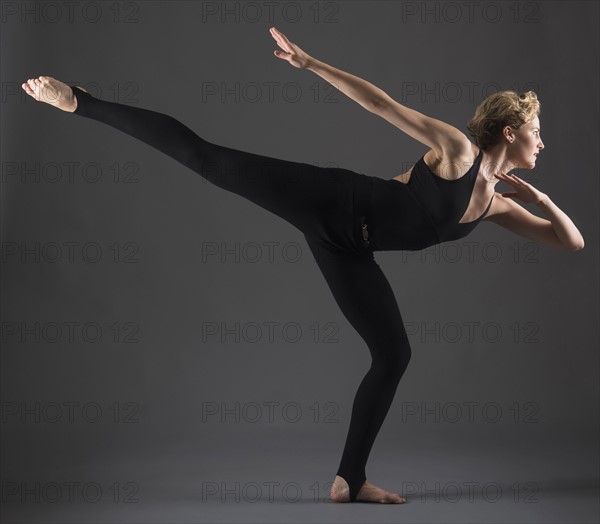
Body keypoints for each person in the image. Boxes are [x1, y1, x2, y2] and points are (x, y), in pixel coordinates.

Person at [21, 26, 584, 504]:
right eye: (537, 132)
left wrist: (542, 201)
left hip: (345, 250)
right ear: (510, 132)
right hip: (332, 201)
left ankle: (350, 479)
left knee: (393, 354)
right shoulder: (458, 152)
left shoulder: (495, 207)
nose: (543, 143)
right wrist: (310, 62)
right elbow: (381, 104)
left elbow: (572, 244)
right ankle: (82, 101)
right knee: (209, 161)